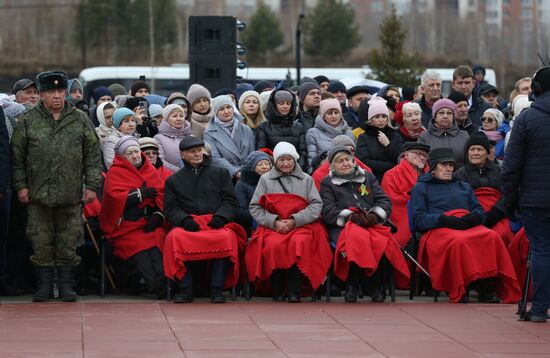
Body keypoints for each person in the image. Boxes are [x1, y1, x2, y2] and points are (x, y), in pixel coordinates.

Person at [10, 70, 102, 302]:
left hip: (71, 194)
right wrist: (21, 186)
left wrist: (91, 185)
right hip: (37, 194)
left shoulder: (79, 119)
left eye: (61, 91)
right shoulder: (28, 121)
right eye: (51, 92)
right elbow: (17, 157)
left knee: (69, 240)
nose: (57, 96)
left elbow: (92, 154)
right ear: (42, 95)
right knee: (40, 241)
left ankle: (65, 284)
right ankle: (44, 286)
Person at [409, 147, 521, 304]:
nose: (448, 168)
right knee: (458, 241)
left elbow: (479, 211)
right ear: (433, 167)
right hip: (438, 228)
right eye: (443, 165)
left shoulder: (464, 186)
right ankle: (462, 287)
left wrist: (474, 218)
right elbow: (418, 220)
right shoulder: (421, 187)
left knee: (491, 236)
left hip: (466, 225)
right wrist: (442, 219)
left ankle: (486, 287)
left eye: (451, 165)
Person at [320, 146, 409, 303]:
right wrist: (352, 217)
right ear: (332, 165)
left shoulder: (367, 177)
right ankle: (352, 285)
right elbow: (328, 210)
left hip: (370, 222)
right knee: (356, 240)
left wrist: (375, 216)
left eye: (348, 159)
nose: (346, 163)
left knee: (381, 241)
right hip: (343, 224)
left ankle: (375, 285)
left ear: (354, 161)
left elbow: (384, 200)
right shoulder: (328, 183)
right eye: (340, 161)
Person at [246, 142, 332, 302]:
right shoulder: (265, 180)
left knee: (299, 243)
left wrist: (295, 220)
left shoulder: (306, 180)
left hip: (301, 225)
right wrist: (274, 222)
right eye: (281, 160)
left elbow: (316, 205)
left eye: (289, 159)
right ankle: (277, 290)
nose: (285, 163)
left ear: (295, 160)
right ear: (275, 161)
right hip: (274, 227)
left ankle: (295, 290)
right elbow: (255, 207)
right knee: (273, 245)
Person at [163, 136, 246, 303]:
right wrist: (184, 220)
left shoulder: (221, 173)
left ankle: (217, 289)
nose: (197, 154)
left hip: (215, 221)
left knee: (227, 238)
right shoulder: (173, 180)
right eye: (192, 152)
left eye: (199, 150)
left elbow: (230, 201)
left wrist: (221, 218)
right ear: (182, 155)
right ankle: (186, 289)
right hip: (189, 223)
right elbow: (171, 208)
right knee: (174, 238)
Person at [502, 66, 550, 322]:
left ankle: (540, 308)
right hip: (536, 196)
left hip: (536, 199)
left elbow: (511, 166)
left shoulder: (526, 119)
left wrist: (508, 200)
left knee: (542, 250)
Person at [100, 136, 167, 298]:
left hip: (148, 223)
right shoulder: (115, 172)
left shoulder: (149, 169)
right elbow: (112, 199)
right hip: (125, 226)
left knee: (159, 242)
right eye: (129, 153)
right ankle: (157, 286)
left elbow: (161, 196)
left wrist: (158, 216)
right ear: (122, 157)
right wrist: (138, 194)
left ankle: (167, 283)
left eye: (136, 151)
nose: (135, 156)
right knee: (140, 249)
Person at [455, 132, 512, 246]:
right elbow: (459, 198)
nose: (475, 153)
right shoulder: (459, 174)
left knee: (502, 235)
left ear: (487, 152)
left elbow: (508, 194)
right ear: (467, 153)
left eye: (480, 149)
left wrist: (495, 214)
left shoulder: (499, 171)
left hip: (497, 214)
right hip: (472, 215)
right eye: (472, 149)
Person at [381, 142, 430, 247]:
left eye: (424, 155)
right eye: (417, 153)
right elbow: (391, 200)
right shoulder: (391, 174)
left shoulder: (431, 175)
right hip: (402, 216)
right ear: (406, 155)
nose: (421, 157)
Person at [204, 95, 255, 181]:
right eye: (221, 109)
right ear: (216, 112)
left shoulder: (246, 129)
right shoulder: (209, 133)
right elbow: (215, 158)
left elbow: (253, 153)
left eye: (229, 107)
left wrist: (247, 172)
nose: (226, 111)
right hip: (225, 177)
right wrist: (236, 172)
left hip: (247, 175)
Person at [256, 89, 307, 170]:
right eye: (281, 103)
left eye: (288, 103)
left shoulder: (299, 127)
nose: (285, 106)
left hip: (295, 171)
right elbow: (261, 154)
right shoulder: (263, 127)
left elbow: (303, 153)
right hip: (271, 172)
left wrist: (295, 170)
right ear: (274, 105)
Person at [356, 97, 403, 183]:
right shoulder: (363, 137)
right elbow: (363, 162)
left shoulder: (395, 135)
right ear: (371, 119)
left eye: (384, 116)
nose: (381, 120)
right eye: (377, 117)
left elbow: (401, 159)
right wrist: (389, 166)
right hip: (372, 180)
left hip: (394, 180)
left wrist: (388, 145)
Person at [306, 98, 354, 173]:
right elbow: (311, 159)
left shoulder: (349, 132)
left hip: (347, 172)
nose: (334, 116)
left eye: (336, 112)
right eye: (329, 113)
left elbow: (354, 157)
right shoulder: (313, 133)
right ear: (323, 116)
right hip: (324, 173)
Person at [418, 98, 469, 168]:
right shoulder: (424, 137)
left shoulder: (464, 136)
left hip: (459, 176)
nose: (445, 116)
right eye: (441, 113)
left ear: (453, 116)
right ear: (435, 117)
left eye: (449, 113)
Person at [234, 151, 272, 234]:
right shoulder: (241, 185)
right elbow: (240, 212)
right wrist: (263, 217)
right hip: (252, 227)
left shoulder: (274, 182)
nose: (265, 167)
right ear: (252, 167)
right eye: (260, 164)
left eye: (267, 163)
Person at [153, 104, 191, 173]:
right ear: (166, 119)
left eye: (181, 116)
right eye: (174, 116)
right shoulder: (158, 138)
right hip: (171, 177)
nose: (179, 119)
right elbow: (160, 161)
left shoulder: (191, 137)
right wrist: (181, 172)